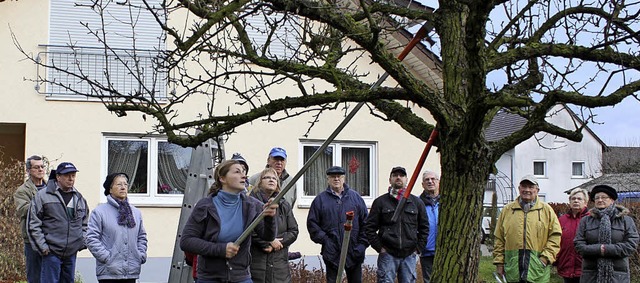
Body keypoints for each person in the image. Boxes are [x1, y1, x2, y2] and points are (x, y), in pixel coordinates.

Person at [180, 159, 278, 283]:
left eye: (244, 172)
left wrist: (270, 218)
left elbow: (267, 237)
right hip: (210, 278)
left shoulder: (253, 205)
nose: (243, 175)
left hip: (241, 277)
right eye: (237, 172)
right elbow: (186, 241)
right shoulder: (205, 206)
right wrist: (221, 249)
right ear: (222, 178)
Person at [364, 166, 429, 283]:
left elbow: (424, 228)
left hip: (409, 255)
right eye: (395, 175)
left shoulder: (416, 203)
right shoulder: (380, 202)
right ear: (390, 180)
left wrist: (418, 248)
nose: (398, 178)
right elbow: (369, 228)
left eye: (401, 175)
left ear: (407, 180)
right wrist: (380, 248)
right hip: (388, 254)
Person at [27, 162, 89, 283]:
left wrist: (81, 242)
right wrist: (43, 248)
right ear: (58, 177)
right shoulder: (43, 196)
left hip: (71, 253)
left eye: (73, 175)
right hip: (51, 253)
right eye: (67, 175)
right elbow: (33, 224)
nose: (71, 179)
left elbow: (85, 223)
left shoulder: (79, 198)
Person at [493, 175, 561, 283]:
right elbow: (499, 238)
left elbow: (555, 236)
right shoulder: (507, 210)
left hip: (538, 271)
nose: (527, 190)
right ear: (519, 189)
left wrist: (544, 259)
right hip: (512, 269)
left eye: (531, 187)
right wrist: (499, 263)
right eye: (524, 186)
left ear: (537, 190)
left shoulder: (546, 210)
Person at [307, 166, 369, 283]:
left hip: (354, 251)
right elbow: (312, 224)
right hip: (332, 253)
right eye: (333, 176)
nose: (336, 179)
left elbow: (366, 223)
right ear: (328, 179)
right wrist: (326, 241)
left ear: (344, 178)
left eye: (339, 176)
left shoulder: (356, 198)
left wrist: (362, 245)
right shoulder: (320, 200)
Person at [85, 173, 148, 283]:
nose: (123, 187)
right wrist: (107, 258)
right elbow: (91, 238)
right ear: (110, 189)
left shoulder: (135, 213)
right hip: (108, 272)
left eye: (125, 184)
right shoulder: (99, 212)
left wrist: (140, 255)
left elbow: (141, 237)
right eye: (119, 184)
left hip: (131, 272)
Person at [574, 185, 639, 283]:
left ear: (612, 200)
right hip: (591, 276)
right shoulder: (585, 221)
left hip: (618, 276)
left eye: (604, 197)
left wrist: (606, 249)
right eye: (597, 198)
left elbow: (631, 245)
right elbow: (578, 245)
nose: (600, 200)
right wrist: (599, 249)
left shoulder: (626, 220)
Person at [249, 168, 299, 283]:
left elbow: (294, 231)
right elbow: (248, 229)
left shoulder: (284, 205)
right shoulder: (251, 203)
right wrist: (269, 241)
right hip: (256, 265)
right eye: (267, 177)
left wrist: (279, 243)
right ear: (259, 181)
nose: (271, 180)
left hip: (279, 266)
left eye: (274, 178)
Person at [14, 155, 47, 283]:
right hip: (32, 239)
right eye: (36, 167)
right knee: (35, 276)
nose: (40, 169)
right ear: (28, 170)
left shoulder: (52, 187)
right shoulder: (22, 191)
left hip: (52, 237)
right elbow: (23, 210)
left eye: (42, 167)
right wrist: (44, 205)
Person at [556, 188, 589, 283]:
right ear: (569, 202)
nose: (576, 201)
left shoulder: (591, 219)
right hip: (566, 267)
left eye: (579, 199)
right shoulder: (562, 220)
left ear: (585, 202)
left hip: (585, 269)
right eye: (573, 198)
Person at [418, 170, 440, 283]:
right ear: (422, 184)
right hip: (426, 250)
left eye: (433, 179)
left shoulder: (447, 202)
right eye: (427, 180)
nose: (430, 182)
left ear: (438, 182)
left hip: (444, 251)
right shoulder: (417, 203)